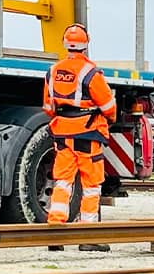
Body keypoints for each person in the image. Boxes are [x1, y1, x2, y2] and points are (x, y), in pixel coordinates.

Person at [42, 23, 116, 251]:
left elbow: (48, 106)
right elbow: (108, 106)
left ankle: (55, 233)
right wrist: (108, 119)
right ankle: (88, 236)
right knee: (91, 185)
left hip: (62, 133)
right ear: (86, 44)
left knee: (62, 182)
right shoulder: (91, 73)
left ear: (65, 43)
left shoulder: (52, 71)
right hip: (88, 133)